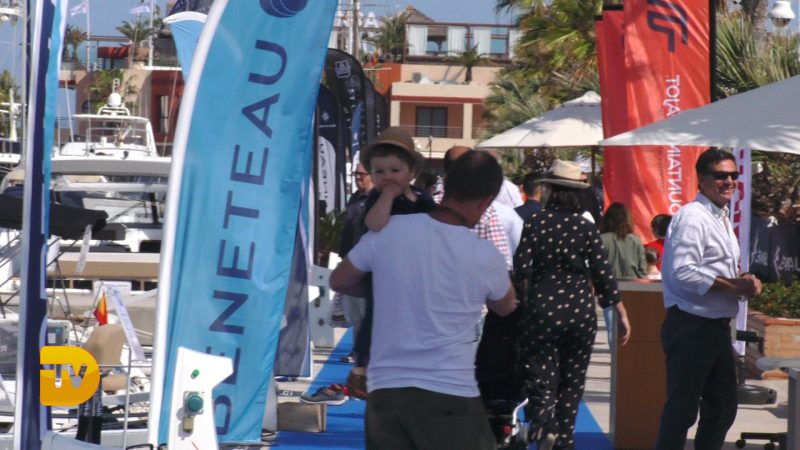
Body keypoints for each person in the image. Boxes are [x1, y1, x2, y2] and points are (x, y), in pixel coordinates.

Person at [330, 150, 518, 450]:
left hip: (386, 392)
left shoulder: (389, 231)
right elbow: (506, 305)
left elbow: (339, 280)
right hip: (450, 393)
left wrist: (390, 287)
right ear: (486, 201)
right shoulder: (484, 254)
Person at [513, 159, 631, 450]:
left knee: (540, 375)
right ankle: (565, 439)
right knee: (573, 381)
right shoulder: (585, 227)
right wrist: (620, 311)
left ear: (551, 190)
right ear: (578, 194)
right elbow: (603, 273)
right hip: (579, 311)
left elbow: (521, 267)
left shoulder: (535, 222)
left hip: (542, 308)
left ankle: (544, 423)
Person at [655, 148, 763, 450]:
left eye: (733, 175)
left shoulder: (720, 216)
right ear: (702, 179)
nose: (728, 181)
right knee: (682, 411)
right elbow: (683, 273)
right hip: (691, 326)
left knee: (723, 407)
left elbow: (715, 269)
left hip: (714, 327)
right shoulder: (693, 217)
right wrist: (734, 285)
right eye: (720, 175)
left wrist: (744, 280)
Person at [346, 127, 436, 400]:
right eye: (380, 172)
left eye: (395, 171)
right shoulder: (376, 199)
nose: (387, 177)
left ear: (411, 172)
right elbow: (375, 223)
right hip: (384, 274)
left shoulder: (423, 199)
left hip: (417, 274)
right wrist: (386, 196)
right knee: (376, 317)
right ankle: (362, 368)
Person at [599, 202, 647, 280]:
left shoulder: (601, 239)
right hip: (633, 284)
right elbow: (642, 269)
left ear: (607, 220)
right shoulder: (636, 240)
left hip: (609, 283)